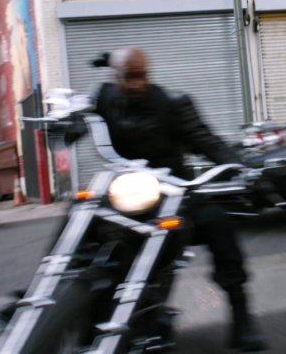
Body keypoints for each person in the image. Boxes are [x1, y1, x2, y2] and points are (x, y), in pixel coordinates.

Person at [92, 47, 269, 352]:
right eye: (127, 78)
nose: (135, 85)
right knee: (81, 212)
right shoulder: (105, 98)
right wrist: (63, 127)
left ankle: (242, 316)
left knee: (218, 224)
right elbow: (79, 121)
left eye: (140, 77)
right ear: (116, 77)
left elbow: (205, 139)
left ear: (149, 74)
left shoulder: (172, 104)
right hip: (128, 191)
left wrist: (245, 169)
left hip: (173, 190)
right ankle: (49, 294)